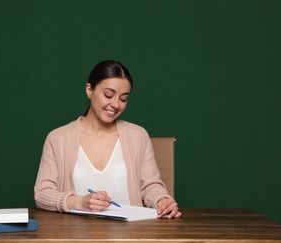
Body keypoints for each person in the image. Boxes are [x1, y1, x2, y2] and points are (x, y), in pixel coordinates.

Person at [34, 60, 181, 219]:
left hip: (132, 236)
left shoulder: (138, 136)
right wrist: (79, 202)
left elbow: (150, 186)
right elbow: (42, 194)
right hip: (74, 237)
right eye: (108, 95)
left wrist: (162, 200)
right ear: (89, 90)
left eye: (123, 99)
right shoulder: (58, 139)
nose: (116, 104)